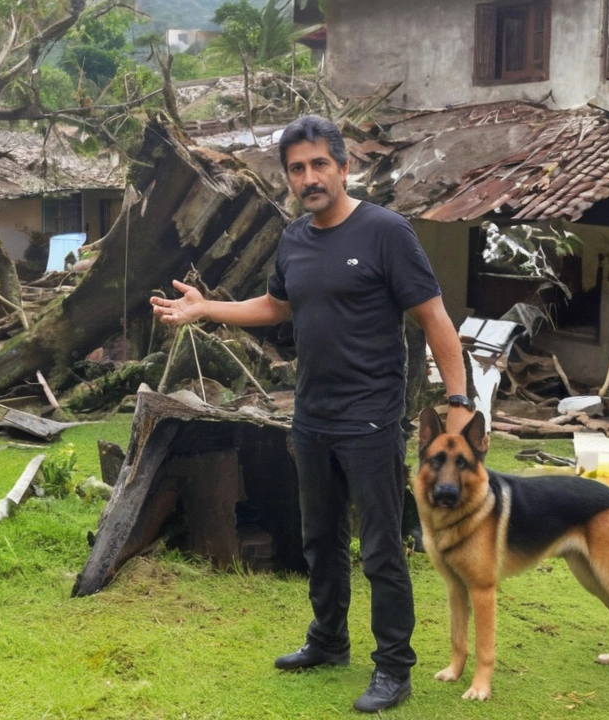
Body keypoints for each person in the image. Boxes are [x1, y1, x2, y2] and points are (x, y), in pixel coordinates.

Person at [150, 115, 473, 713]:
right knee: (319, 538)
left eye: (319, 164)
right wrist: (206, 308)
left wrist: (458, 404)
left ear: (345, 166)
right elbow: (275, 306)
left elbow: (435, 321)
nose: (309, 177)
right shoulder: (295, 238)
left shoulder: (387, 232)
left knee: (378, 547)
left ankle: (393, 667)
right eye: (297, 168)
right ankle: (327, 641)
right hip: (313, 415)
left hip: (372, 420)